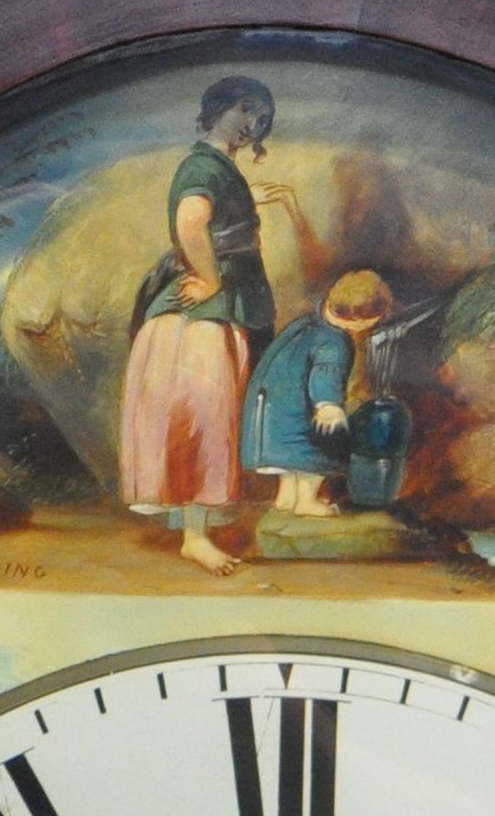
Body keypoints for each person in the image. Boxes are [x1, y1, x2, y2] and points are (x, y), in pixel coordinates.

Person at [119, 76, 278, 573]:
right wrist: (210, 279)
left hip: (209, 316)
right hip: (198, 321)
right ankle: (194, 538)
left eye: (261, 119)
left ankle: (192, 532)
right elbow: (191, 221)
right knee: (202, 424)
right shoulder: (203, 164)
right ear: (218, 109)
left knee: (202, 423)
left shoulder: (216, 166)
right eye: (245, 111)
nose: (252, 124)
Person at [239, 267, 395, 517]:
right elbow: (325, 373)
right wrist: (328, 404)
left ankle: (286, 498)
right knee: (323, 447)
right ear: (360, 320)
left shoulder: (305, 324)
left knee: (289, 460)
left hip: (265, 420)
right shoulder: (333, 342)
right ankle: (305, 501)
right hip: (295, 420)